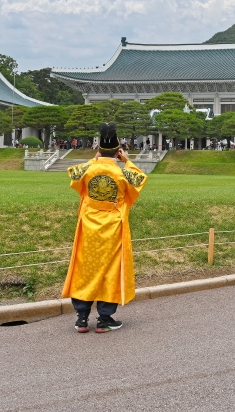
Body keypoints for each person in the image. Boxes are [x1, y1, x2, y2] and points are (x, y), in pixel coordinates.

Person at [62, 122, 148, 333]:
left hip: (89, 223)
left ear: (98, 149)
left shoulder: (88, 168)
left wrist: (95, 158)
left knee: (84, 267)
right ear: (118, 151)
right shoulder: (122, 173)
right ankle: (104, 318)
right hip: (113, 224)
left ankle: (81, 318)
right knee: (110, 270)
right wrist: (126, 160)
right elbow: (139, 179)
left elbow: (74, 176)